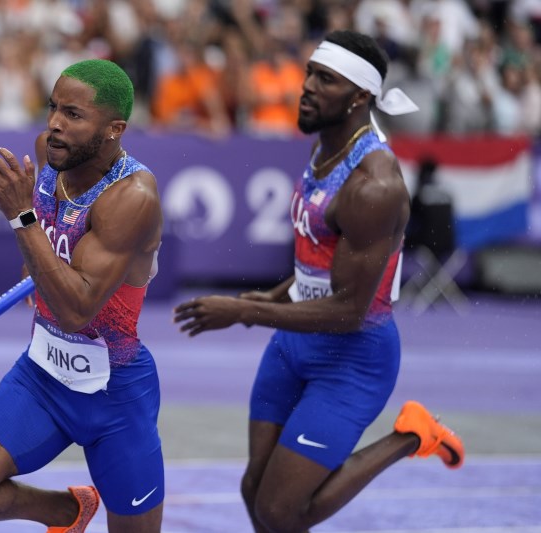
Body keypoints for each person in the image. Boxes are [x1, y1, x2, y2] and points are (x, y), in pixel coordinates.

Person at [173, 30, 465, 533]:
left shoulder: (374, 185)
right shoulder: (325, 147)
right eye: (309, 72)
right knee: (254, 491)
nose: (306, 86)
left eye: (325, 79)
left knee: (280, 511)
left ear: (359, 97)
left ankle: (411, 437)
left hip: (352, 358)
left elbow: (349, 310)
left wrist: (244, 311)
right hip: (295, 342)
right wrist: (274, 295)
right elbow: (321, 258)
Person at [0, 59, 165, 533]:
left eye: (73, 114)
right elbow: (48, 250)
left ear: (114, 129)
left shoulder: (132, 196)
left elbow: (76, 311)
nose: (54, 123)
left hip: (114, 392)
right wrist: (38, 257)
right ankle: (66, 512)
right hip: (42, 375)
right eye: (53, 108)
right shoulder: (50, 156)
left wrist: (22, 218)